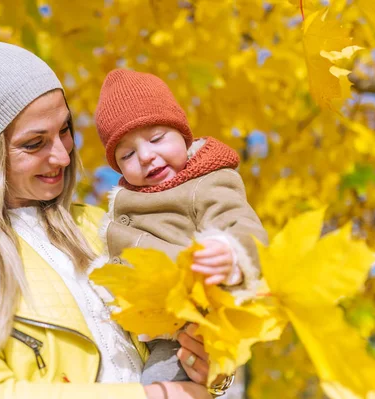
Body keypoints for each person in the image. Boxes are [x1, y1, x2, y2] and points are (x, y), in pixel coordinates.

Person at [0, 41, 214, 399]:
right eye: (34, 143)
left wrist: (209, 371)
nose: (63, 157)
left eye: (65, 130)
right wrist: (156, 396)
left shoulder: (104, 224)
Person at [93, 69, 268, 386]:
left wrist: (230, 254)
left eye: (157, 138)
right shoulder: (126, 200)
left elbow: (242, 224)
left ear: (183, 134)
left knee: (162, 386)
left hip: (184, 329)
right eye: (128, 154)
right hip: (135, 324)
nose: (146, 156)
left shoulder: (206, 181)